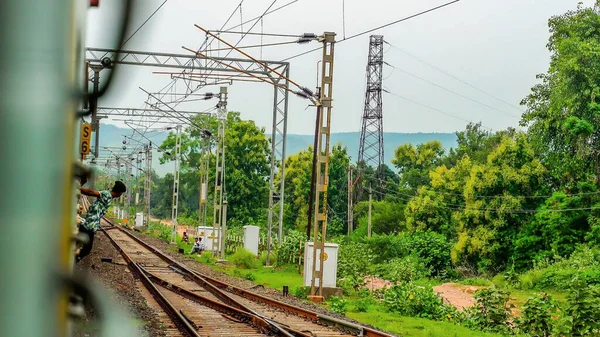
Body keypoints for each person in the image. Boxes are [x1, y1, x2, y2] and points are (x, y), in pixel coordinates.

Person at [77, 181, 127, 262]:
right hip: (89, 224)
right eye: (121, 193)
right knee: (86, 249)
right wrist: (78, 188)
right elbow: (91, 192)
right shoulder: (106, 194)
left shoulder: (109, 197)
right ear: (119, 192)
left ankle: (73, 259)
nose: (121, 195)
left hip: (91, 225)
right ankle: (73, 260)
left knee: (85, 248)